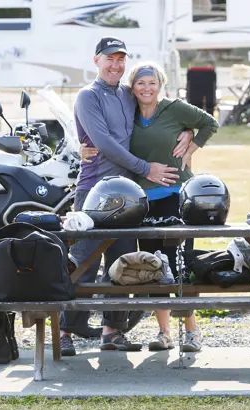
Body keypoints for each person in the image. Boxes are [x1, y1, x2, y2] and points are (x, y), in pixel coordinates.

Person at [59, 37, 194, 356]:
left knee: (121, 264)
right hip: (93, 193)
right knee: (83, 262)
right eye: (110, 59)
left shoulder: (127, 94)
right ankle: (64, 330)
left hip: (128, 197)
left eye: (121, 59)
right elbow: (103, 142)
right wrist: (146, 168)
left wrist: (190, 131)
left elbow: (158, 110)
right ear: (96, 61)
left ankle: (112, 331)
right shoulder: (87, 96)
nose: (116, 64)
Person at [81, 61, 220, 352]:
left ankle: (191, 331)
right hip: (141, 202)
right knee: (153, 266)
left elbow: (210, 122)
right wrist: (82, 148)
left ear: (161, 86)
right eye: (141, 83)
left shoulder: (174, 108)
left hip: (175, 197)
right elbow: (105, 137)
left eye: (152, 83)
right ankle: (164, 333)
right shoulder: (127, 112)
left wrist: (191, 141)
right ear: (133, 87)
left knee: (179, 263)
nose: (146, 88)